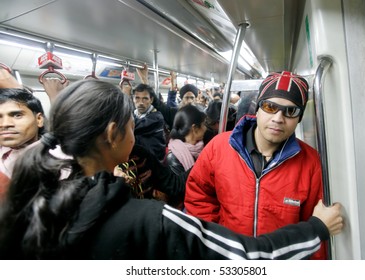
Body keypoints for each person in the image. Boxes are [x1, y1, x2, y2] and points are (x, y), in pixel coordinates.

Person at [0, 79, 344, 260]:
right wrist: (317, 227)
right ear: (112, 135)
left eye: (290, 111)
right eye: (131, 124)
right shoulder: (150, 219)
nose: (279, 118)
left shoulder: (27, 200)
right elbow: (247, 257)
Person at [184, 71, 328, 259]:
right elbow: (198, 198)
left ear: (299, 119)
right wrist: (218, 243)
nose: (278, 118)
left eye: (290, 111)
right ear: (257, 108)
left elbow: (315, 234)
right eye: (270, 107)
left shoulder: (311, 164)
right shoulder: (219, 148)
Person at [163, 105, 207, 208]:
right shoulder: (173, 157)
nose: (206, 128)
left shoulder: (200, 148)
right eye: (203, 124)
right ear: (194, 128)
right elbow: (180, 190)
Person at [132, 83, 166, 161]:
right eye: (137, 98)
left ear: (151, 100)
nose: (140, 102)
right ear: (133, 99)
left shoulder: (157, 117)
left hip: (153, 162)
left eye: (145, 98)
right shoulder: (133, 114)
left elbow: (135, 126)